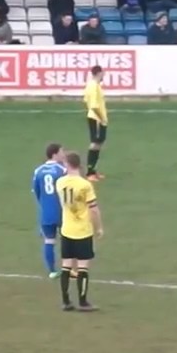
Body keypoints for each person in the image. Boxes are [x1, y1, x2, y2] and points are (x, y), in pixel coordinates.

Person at [55, 151, 103, 312]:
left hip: (66, 229)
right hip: (83, 230)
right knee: (83, 267)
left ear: (67, 165)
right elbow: (94, 210)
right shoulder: (85, 185)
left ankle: (65, 301)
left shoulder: (60, 182)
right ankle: (83, 302)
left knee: (66, 266)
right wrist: (99, 228)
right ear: (79, 165)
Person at [32, 142, 67, 277]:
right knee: (67, 239)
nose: (63, 154)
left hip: (46, 213)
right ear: (55, 154)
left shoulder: (38, 171)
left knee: (49, 241)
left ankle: (52, 271)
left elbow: (37, 192)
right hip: (62, 211)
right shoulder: (62, 170)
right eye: (61, 152)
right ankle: (67, 268)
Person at [83, 65, 108, 181]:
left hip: (96, 118)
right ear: (99, 73)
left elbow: (85, 100)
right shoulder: (94, 86)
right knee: (95, 144)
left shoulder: (92, 85)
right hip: (97, 119)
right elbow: (93, 106)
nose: (104, 75)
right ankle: (90, 173)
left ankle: (93, 171)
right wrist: (102, 118)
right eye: (103, 73)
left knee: (98, 144)